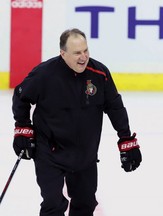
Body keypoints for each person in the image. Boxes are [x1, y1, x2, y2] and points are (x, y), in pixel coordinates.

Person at [12, 28, 142, 216]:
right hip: (49, 150)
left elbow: (114, 106)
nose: (83, 57)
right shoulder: (44, 74)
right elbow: (21, 97)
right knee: (53, 203)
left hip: (85, 153)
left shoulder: (99, 73)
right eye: (77, 53)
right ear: (63, 53)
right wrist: (22, 128)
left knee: (85, 203)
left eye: (85, 51)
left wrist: (126, 139)